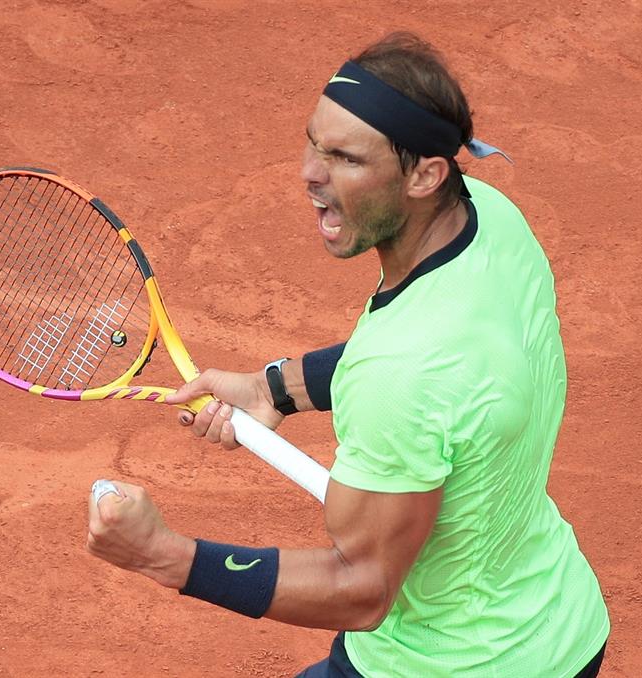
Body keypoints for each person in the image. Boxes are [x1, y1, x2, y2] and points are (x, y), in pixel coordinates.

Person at [85, 33, 610, 677]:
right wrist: (273, 389)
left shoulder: (402, 374)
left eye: (345, 158)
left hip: (444, 665)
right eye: (313, 141)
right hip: (560, 626)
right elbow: (438, 373)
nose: (309, 172)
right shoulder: (493, 223)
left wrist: (163, 556)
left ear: (425, 173)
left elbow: (361, 588)